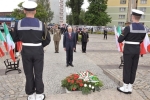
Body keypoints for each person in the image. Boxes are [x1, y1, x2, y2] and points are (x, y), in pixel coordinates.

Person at [13, 1, 50, 100]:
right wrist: (39, 45)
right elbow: (47, 39)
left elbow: (15, 39)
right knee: (38, 73)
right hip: (38, 50)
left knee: (28, 73)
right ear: (35, 11)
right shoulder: (41, 24)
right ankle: (39, 94)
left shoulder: (18, 23)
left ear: (24, 11)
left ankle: (30, 94)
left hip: (26, 50)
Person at [117, 9, 146, 94]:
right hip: (137, 50)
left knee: (127, 68)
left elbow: (120, 40)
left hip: (128, 50)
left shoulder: (128, 27)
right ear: (139, 18)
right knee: (134, 68)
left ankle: (125, 87)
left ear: (132, 17)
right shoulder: (143, 28)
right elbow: (142, 40)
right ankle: (130, 87)